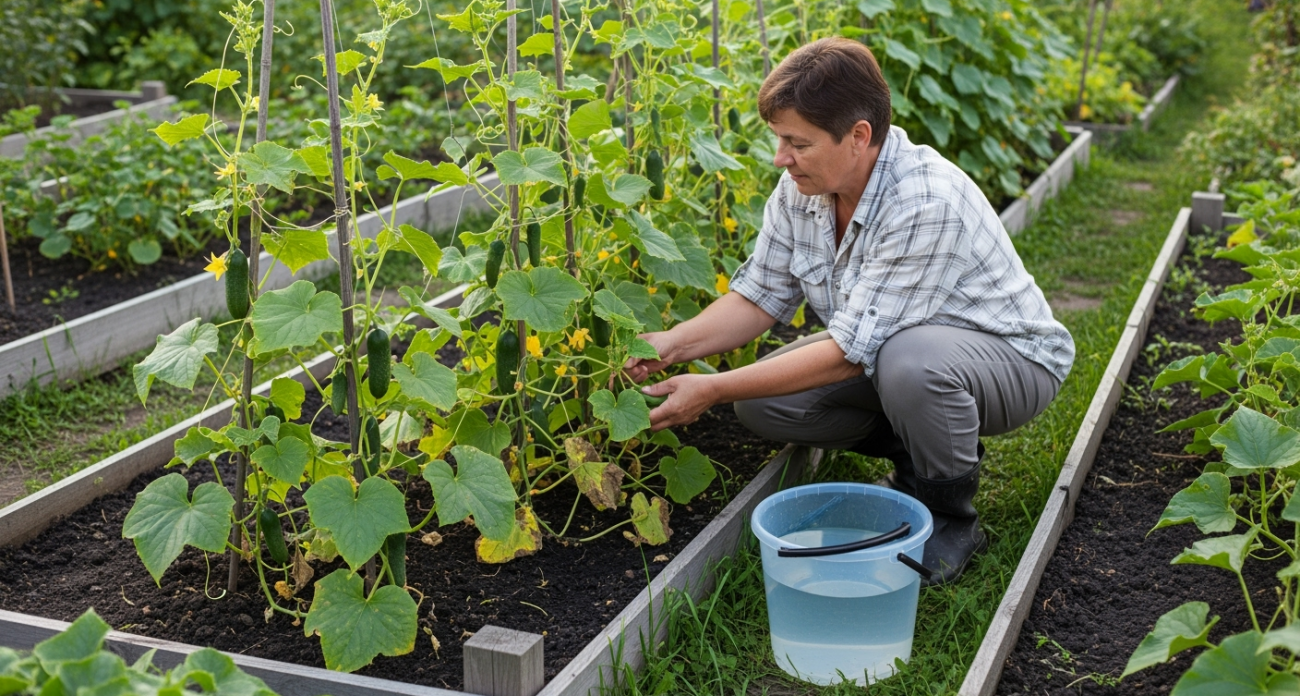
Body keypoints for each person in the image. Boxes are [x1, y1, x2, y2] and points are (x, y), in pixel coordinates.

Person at [625, 37, 1074, 585]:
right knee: (763, 404)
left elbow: (846, 355)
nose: (781, 157)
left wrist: (713, 388)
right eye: (780, 139)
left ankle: (951, 519)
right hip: (895, 351)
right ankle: (920, 458)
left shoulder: (923, 201)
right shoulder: (803, 189)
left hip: (1012, 361)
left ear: (859, 136)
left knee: (908, 362)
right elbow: (759, 295)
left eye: (798, 142)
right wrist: (671, 343)